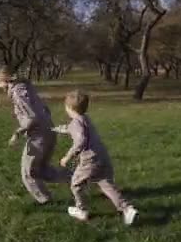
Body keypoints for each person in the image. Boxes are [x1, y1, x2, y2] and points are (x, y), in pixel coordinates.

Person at [53, 90, 138, 225]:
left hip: (90, 160)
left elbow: (80, 139)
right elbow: (73, 128)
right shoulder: (84, 118)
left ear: (69, 108)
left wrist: (67, 157)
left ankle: (82, 210)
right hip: (102, 156)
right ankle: (127, 209)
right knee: (105, 183)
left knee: (75, 183)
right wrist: (58, 129)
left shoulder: (76, 124)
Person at [0, 66, 70, 204]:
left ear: (5, 80)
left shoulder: (18, 93)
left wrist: (18, 132)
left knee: (28, 172)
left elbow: (32, 117)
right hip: (48, 131)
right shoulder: (27, 88)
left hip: (39, 136)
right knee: (41, 170)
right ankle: (81, 178)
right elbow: (45, 110)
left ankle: (45, 200)